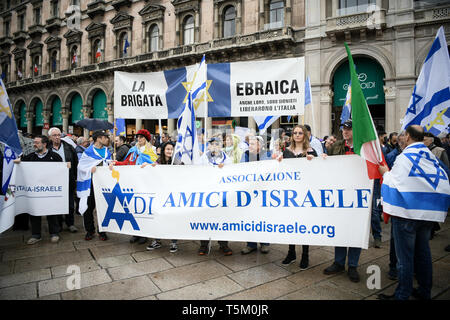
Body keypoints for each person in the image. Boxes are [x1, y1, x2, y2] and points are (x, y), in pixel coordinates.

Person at [377, 125, 450, 300]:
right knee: (423, 253)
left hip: (407, 215)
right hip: (426, 214)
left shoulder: (405, 157)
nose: (401, 137)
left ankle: (402, 294)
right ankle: (424, 291)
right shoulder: (429, 156)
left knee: (405, 258)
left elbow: (394, 183)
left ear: (408, 136)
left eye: (403, 135)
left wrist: (385, 174)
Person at [322, 119, 361, 282]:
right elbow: (327, 166)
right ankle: (338, 262)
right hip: (339, 195)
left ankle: (352, 265)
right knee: (340, 229)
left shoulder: (364, 147)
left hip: (357, 196)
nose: (345, 132)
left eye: (349, 129)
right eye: (344, 129)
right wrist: (323, 158)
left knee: (356, 230)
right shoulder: (336, 146)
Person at [278, 125, 318, 269]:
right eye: (295, 133)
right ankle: (291, 252)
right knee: (291, 223)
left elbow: (321, 169)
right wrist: (277, 162)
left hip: (305, 192)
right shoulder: (287, 151)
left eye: (300, 133)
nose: (297, 135)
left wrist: (317, 160)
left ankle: (305, 255)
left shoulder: (311, 151)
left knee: (303, 224)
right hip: (290, 192)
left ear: (305, 135)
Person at [14, 135, 64, 244]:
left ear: (44, 144)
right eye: (34, 142)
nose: (34, 144)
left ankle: (54, 233)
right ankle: (36, 235)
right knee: (34, 212)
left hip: (50, 190)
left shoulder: (54, 156)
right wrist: (18, 162)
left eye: (37, 142)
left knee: (51, 212)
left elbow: (62, 171)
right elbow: (22, 168)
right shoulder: (30, 157)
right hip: (35, 192)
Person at [110, 129, 157, 245]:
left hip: (145, 183)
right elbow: (126, 162)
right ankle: (135, 232)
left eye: (142, 137)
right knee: (133, 207)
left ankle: (144, 233)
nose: (139, 139)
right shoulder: (132, 150)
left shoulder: (151, 150)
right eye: (138, 136)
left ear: (146, 139)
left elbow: (155, 164)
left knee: (144, 208)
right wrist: (116, 163)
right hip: (133, 183)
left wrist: (150, 164)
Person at [198, 135, 233, 256]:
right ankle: (204, 245)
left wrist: (223, 170)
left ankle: (223, 245)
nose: (214, 146)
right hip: (207, 192)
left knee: (222, 218)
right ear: (209, 146)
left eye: (217, 144)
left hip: (221, 193)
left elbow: (231, 173)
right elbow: (198, 172)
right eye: (212, 144)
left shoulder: (226, 158)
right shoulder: (203, 157)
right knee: (205, 219)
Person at [142, 141, 179, 253]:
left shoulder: (177, 162)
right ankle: (157, 240)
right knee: (158, 216)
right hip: (161, 195)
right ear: (163, 151)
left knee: (173, 218)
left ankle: (174, 242)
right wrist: (147, 166)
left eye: (171, 149)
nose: (170, 151)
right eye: (167, 149)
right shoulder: (158, 161)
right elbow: (152, 170)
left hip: (173, 196)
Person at [77, 130, 111, 241]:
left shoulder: (108, 151)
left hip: (103, 184)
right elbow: (81, 166)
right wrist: (89, 169)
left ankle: (102, 231)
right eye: (105, 137)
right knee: (89, 208)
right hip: (90, 184)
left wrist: (111, 164)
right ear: (98, 138)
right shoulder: (88, 152)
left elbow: (109, 163)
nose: (107, 139)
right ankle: (89, 230)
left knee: (103, 207)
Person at [240, 135, 272, 254]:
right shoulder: (246, 154)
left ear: (260, 145)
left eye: (253, 144)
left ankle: (264, 243)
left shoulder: (266, 155)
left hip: (263, 191)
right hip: (249, 191)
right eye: (250, 144)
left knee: (263, 217)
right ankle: (251, 244)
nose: (250, 146)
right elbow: (242, 168)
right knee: (250, 217)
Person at [48, 127, 78, 233]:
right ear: (50, 137)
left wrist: (74, 177)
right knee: (57, 203)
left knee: (70, 203)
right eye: (54, 135)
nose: (57, 137)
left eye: (58, 135)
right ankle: (59, 224)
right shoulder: (47, 148)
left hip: (68, 179)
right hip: (53, 181)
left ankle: (70, 223)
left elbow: (75, 162)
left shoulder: (68, 147)